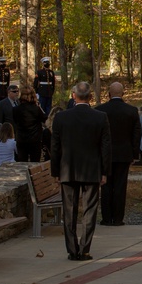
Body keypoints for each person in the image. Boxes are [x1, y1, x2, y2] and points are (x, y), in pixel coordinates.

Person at [50, 81, 111, 261]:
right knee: (90, 210)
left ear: (73, 96)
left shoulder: (61, 118)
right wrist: (105, 171)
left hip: (67, 170)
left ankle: (71, 249)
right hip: (92, 169)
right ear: (90, 97)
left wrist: (55, 172)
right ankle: (84, 248)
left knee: (69, 210)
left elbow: (55, 147)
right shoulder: (100, 117)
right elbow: (105, 147)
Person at [96, 81, 142, 226]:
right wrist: (135, 154)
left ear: (109, 94)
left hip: (105, 155)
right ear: (123, 93)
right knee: (121, 186)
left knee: (106, 186)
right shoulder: (131, 111)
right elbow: (136, 134)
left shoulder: (100, 110)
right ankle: (118, 218)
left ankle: (106, 217)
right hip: (124, 153)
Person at [13, 85, 46, 162]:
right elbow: (45, 119)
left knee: (22, 162)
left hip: (21, 139)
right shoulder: (36, 109)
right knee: (35, 163)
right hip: (35, 140)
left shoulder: (15, 109)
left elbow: (15, 121)